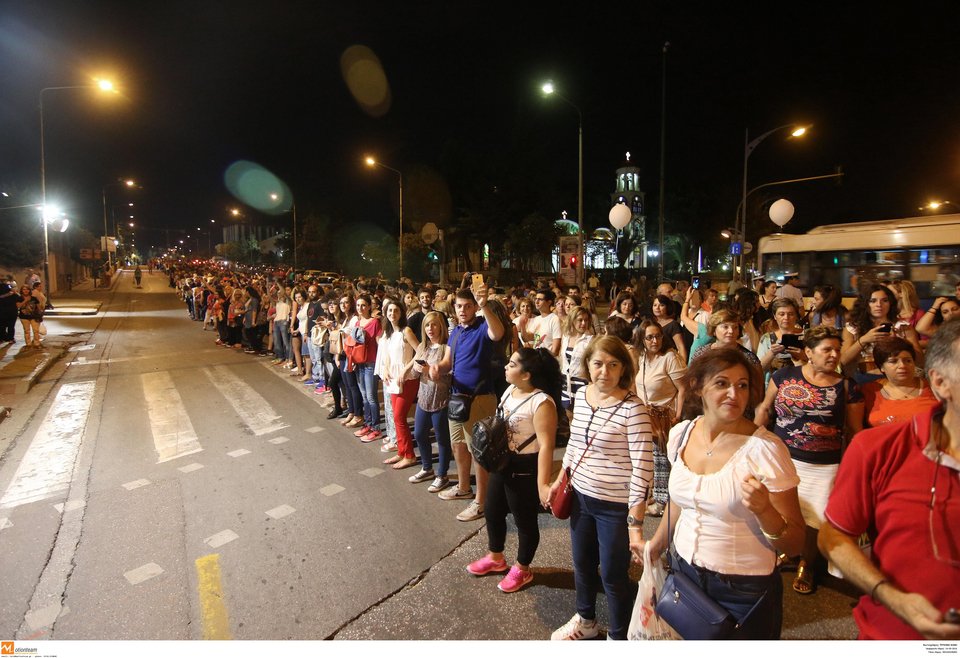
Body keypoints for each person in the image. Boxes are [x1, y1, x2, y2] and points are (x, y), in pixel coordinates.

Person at [644, 349, 806, 640]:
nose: (734, 393)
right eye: (722, 383)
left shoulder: (765, 450)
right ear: (697, 386)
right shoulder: (681, 434)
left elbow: (794, 543)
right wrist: (657, 543)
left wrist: (764, 510)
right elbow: (681, 502)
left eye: (742, 385)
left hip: (742, 591)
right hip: (685, 574)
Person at [818, 319, 960, 640]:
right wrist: (888, 594)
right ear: (941, 382)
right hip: (894, 636)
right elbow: (833, 537)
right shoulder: (877, 449)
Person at [548, 335, 652, 641]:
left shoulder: (634, 410)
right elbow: (574, 444)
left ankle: (620, 636)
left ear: (623, 369)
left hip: (615, 506)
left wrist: (635, 524)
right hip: (580, 497)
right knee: (581, 564)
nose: (604, 371)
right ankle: (587, 621)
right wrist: (559, 480)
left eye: (613, 364)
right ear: (587, 366)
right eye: (597, 364)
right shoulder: (582, 396)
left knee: (613, 575)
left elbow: (643, 470)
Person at [755, 326, 864, 595]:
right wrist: (753, 442)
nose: (834, 354)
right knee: (784, 509)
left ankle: (808, 563)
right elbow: (766, 409)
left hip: (824, 465)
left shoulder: (847, 386)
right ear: (809, 352)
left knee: (815, 518)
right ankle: (789, 551)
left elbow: (854, 431)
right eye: (826, 349)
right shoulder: (784, 376)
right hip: (783, 457)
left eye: (837, 349)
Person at [466, 348, 561, 593]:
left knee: (524, 520)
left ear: (526, 374)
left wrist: (542, 484)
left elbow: (546, 446)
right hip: (502, 463)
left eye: (512, 363)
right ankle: (496, 557)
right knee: (492, 509)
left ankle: (523, 568)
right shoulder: (510, 390)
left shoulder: (542, 403)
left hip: (525, 467)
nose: (506, 367)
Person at [435, 284, 505, 522]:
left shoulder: (483, 326)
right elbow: (447, 361)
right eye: (459, 306)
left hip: (480, 397)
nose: (463, 310)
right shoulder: (454, 332)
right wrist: (436, 369)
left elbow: (497, 333)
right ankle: (464, 487)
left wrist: (485, 305)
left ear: (475, 307)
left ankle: (481, 502)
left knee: (479, 452)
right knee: (459, 446)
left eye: (467, 306)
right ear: (454, 308)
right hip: (457, 398)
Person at [633, 320, 687, 517]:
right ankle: (655, 494)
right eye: (649, 337)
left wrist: (678, 415)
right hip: (645, 415)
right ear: (642, 340)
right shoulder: (642, 358)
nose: (655, 340)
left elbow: (683, 388)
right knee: (649, 458)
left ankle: (662, 501)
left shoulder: (669, 358)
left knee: (661, 458)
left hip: (665, 415)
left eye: (658, 336)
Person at [409, 311, 454, 492]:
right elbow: (414, 374)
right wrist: (415, 368)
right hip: (423, 399)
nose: (430, 329)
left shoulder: (447, 347)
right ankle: (427, 468)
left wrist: (429, 369)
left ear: (441, 326)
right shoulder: (422, 347)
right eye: (427, 325)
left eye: (434, 325)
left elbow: (447, 375)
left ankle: (442, 475)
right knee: (419, 434)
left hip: (441, 399)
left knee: (442, 439)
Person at [841, 284, 923, 381]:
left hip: (897, 377)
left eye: (884, 300)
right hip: (865, 376)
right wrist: (864, 340)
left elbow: (920, 361)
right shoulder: (853, 328)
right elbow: (843, 360)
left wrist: (898, 342)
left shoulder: (903, 327)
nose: (879, 305)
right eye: (873, 301)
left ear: (890, 303)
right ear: (865, 303)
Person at [861, 337, 938, 427]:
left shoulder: (934, 386)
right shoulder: (870, 390)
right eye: (893, 361)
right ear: (881, 367)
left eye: (908, 361)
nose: (902, 365)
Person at [689, 308, 762, 371]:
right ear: (714, 330)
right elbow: (692, 381)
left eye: (735, 327)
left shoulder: (748, 358)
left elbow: (757, 385)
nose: (731, 331)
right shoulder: (701, 353)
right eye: (725, 327)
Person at [757, 298, 806, 387]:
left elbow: (818, 363)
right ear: (775, 316)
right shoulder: (767, 338)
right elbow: (759, 368)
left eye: (790, 314)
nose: (786, 318)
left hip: (803, 383)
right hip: (775, 385)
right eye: (781, 314)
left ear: (796, 316)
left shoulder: (807, 335)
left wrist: (803, 356)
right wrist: (771, 353)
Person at [560, 306, 594, 409]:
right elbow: (562, 359)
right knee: (569, 415)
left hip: (582, 382)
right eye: (580, 320)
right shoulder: (566, 337)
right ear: (572, 320)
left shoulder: (590, 340)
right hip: (566, 382)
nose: (583, 323)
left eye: (586, 320)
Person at [521, 289, 562, 359]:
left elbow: (555, 349)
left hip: (548, 361)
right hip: (537, 361)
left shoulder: (554, 319)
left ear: (549, 302)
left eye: (540, 299)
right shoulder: (537, 319)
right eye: (536, 299)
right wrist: (522, 326)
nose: (536, 302)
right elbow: (527, 338)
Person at [649, 293, 688, 362]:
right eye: (655, 305)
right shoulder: (650, 323)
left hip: (669, 360)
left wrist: (683, 365)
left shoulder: (673, 324)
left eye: (661, 305)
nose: (657, 308)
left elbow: (681, 347)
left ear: (667, 307)